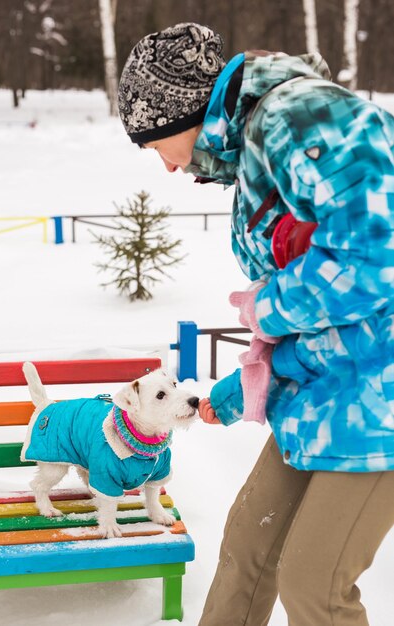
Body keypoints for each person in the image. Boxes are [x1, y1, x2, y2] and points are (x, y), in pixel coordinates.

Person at [117, 22, 394, 626]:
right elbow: (318, 306)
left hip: (380, 398)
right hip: (329, 389)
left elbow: (376, 257)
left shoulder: (302, 114)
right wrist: (243, 383)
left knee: (314, 585)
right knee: (249, 550)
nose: (163, 166)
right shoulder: (254, 149)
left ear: (177, 115)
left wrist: (266, 307)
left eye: (152, 144)